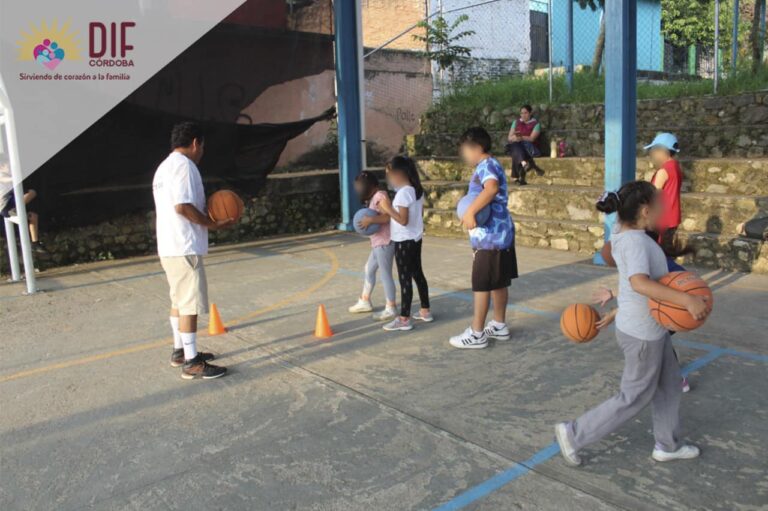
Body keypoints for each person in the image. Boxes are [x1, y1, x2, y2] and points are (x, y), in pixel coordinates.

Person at [555, 181, 710, 467]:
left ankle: (667, 444)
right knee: (634, 396)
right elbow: (639, 282)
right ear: (645, 210)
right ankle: (574, 433)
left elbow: (628, 281)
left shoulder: (622, 233)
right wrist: (686, 301)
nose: (665, 208)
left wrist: (618, 308)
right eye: (661, 204)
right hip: (643, 335)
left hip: (646, 327)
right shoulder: (638, 242)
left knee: (669, 386)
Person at [152, 121, 233, 380]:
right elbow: (183, 206)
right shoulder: (185, 167)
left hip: (169, 245)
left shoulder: (164, 167)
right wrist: (212, 223)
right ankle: (192, 362)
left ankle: (180, 351)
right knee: (189, 305)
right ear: (196, 142)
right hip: (183, 245)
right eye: (203, 146)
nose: (202, 151)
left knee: (179, 301)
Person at [449, 127, 517, 349]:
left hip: (490, 237)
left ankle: (477, 333)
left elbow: (491, 189)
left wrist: (469, 212)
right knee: (498, 282)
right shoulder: (493, 163)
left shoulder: (486, 165)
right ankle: (498, 324)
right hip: (500, 235)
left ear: (476, 148)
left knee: (481, 284)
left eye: (465, 152)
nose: (464, 156)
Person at [369, 156, 432, 331]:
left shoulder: (404, 193)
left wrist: (388, 209)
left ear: (400, 174)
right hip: (415, 239)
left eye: (389, 175)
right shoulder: (415, 190)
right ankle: (425, 310)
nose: (388, 179)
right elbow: (417, 215)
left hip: (404, 241)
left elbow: (403, 220)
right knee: (417, 274)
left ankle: (404, 319)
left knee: (405, 279)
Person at [349, 171, 398, 321]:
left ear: (369, 186)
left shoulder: (380, 197)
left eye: (360, 187)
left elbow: (388, 216)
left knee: (385, 274)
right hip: (377, 243)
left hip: (385, 242)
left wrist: (370, 220)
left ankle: (391, 307)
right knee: (368, 269)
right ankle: (365, 300)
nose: (358, 190)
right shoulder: (374, 198)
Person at [0, 155, 47, 254]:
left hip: (10, 204)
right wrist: (16, 176)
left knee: (33, 216)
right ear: (1, 166)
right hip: (6, 206)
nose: (9, 167)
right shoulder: (2, 175)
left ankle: (35, 242)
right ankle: (18, 208)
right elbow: (9, 179)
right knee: (32, 192)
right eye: (7, 165)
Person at [645, 132, 683, 255]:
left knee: (658, 255)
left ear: (663, 151)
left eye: (654, 150)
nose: (652, 154)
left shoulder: (664, 170)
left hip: (661, 219)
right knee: (666, 252)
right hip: (672, 217)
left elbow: (653, 195)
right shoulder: (676, 167)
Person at [505, 105, 544, 186]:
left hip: (530, 149)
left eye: (525, 113)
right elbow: (509, 137)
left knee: (515, 147)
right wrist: (516, 138)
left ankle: (517, 176)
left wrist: (521, 137)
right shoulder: (516, 122)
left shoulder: (536, 124)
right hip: (519, 147)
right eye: (521, 113)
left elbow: (532, 138)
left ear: (530, 113)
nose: (523, 115)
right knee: (516, 146)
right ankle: (524, 164)